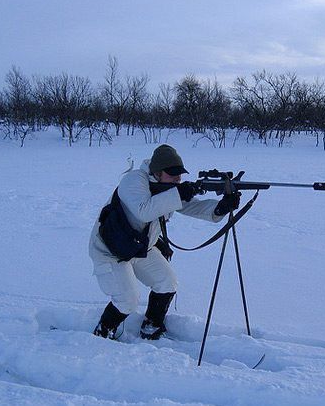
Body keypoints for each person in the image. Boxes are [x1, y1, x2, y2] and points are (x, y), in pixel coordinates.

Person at [88, 144, 240, 340]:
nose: (178, 180)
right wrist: (179, 193)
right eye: (173, 175)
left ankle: (151, 327)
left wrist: (219, 208)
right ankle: (101, 334)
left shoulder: (167, 188)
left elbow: (189, 206)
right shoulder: (133, 180)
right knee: (128, 301)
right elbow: (144, 210)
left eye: (180, 176)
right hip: (110, 251)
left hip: (139, 247)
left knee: (166, 282)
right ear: (157, 173)